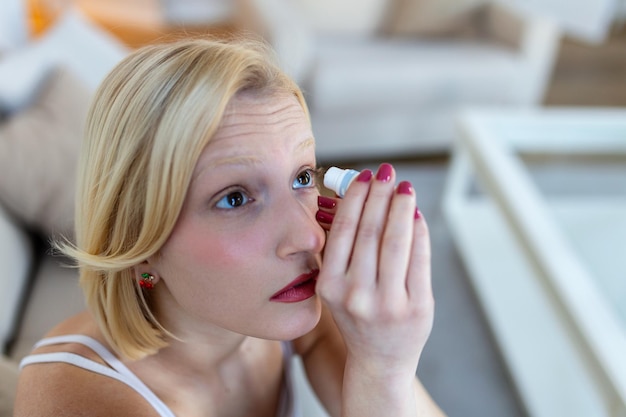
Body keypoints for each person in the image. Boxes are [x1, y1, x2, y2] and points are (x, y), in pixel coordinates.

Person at [14, 37, 445, 417]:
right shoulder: (82, 402)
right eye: (235, 198)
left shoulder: (282, 308)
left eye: (301, 178)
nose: (310, 237)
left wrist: (385, 363)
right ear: (139, 244)